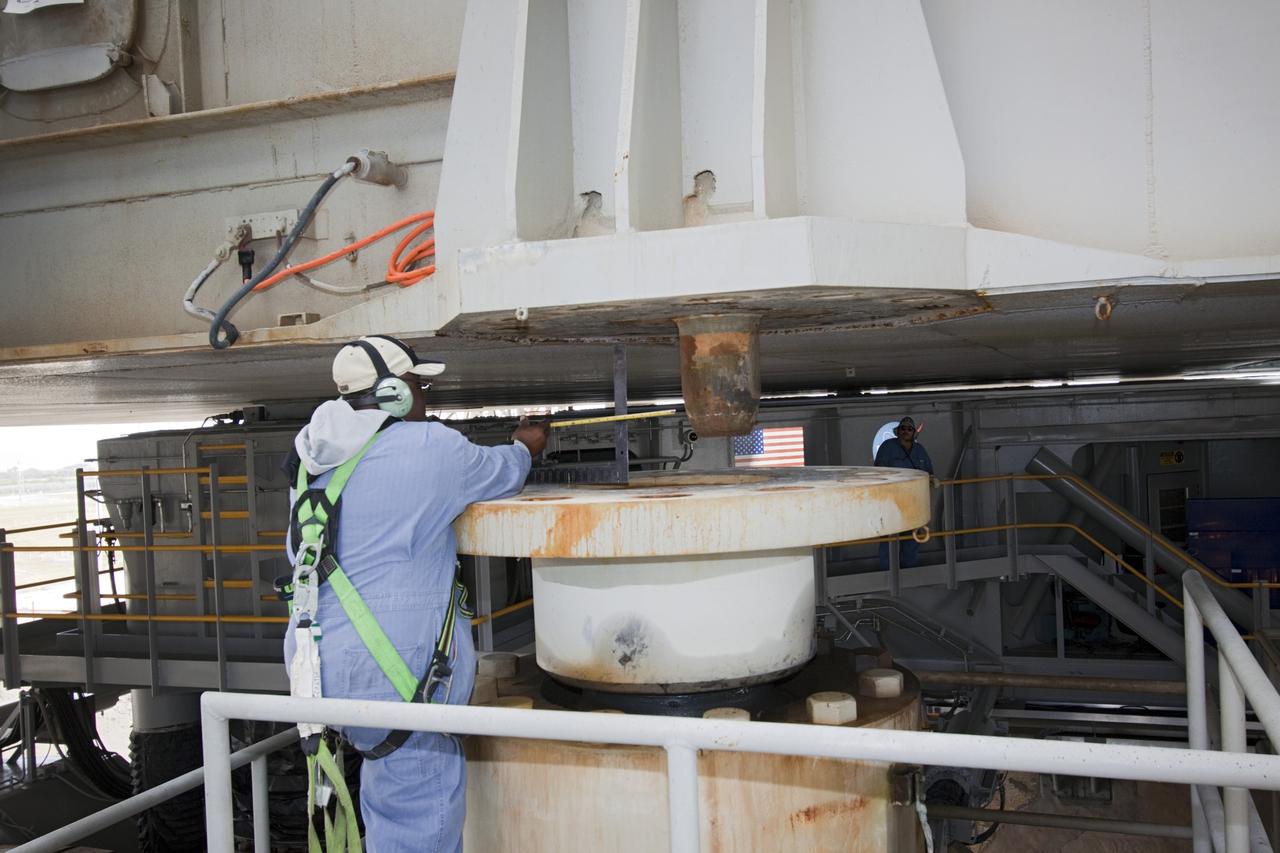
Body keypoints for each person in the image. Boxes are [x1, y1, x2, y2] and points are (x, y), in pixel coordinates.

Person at [282, 334, 548, 853]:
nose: (426, 395)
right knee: (418, 811)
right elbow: (503, 474)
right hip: (394, 675)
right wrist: (525, 445)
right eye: (419, 384)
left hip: (315, 666)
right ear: (395, 392)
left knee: (385, 790)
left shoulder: (310, 455)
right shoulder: (429, 447)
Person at [874, 416, 933, 569]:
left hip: (913, 501)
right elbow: (879, 471)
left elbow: (929, 472)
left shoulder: (920, 450)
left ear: (914, 433)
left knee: (912, 535)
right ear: (898, 431)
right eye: (903, 428)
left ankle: (909, 567)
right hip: (891, 501)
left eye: (909, 429)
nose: (905, 431)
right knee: (889, 535)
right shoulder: (887, 447)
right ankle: (887, 569)